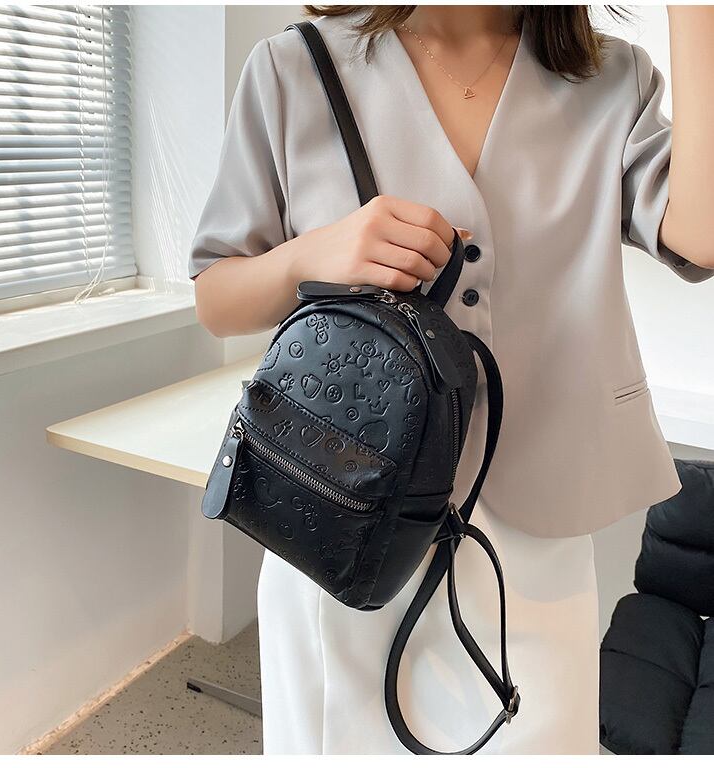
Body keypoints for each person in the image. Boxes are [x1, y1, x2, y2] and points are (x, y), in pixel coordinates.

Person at [188, 4, 714, 755]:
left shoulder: (611, 80)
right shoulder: (292, 68)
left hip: (536, 546)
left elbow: (702, 233)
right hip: (343, 525)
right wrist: (312, 255)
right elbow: (217, 298)